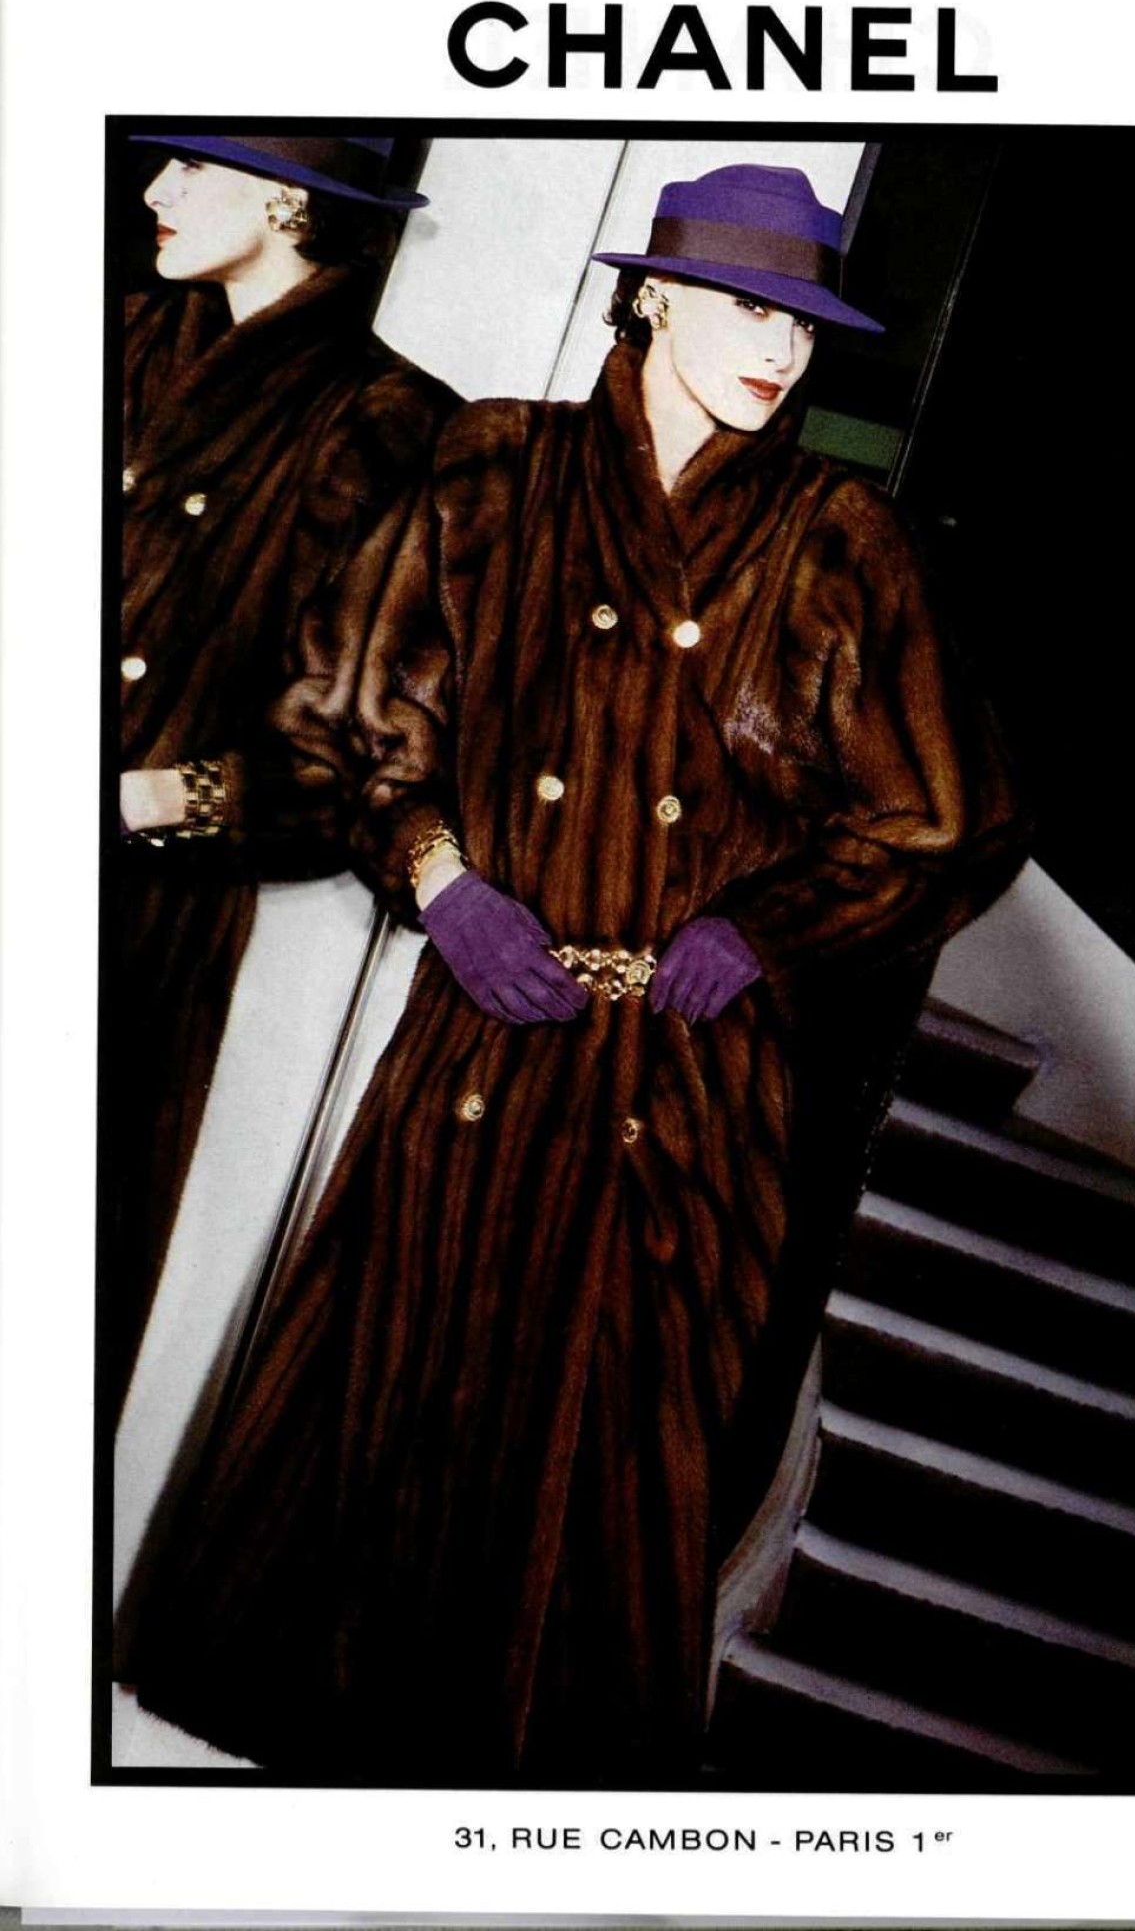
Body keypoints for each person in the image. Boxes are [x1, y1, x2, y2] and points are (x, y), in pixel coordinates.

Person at [126, 163, 1029, 1782]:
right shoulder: (495, 468)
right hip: (479, 1041)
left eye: (803, 325)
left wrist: (763, 931)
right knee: (383, 1429)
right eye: (747, 306)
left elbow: (947, 828)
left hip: (690, 1083)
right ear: (652, 296)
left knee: (609, 1483)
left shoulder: (838, 542)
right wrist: (444, 881)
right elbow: (355, 730)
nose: (779, 351)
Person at [108, 136, 455, 1422]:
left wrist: (150, 798)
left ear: (287, 198)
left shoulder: (385, 422)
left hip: (134, 924)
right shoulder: (114, 337)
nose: (155, 191)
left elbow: (350, 758)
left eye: (192, 168)